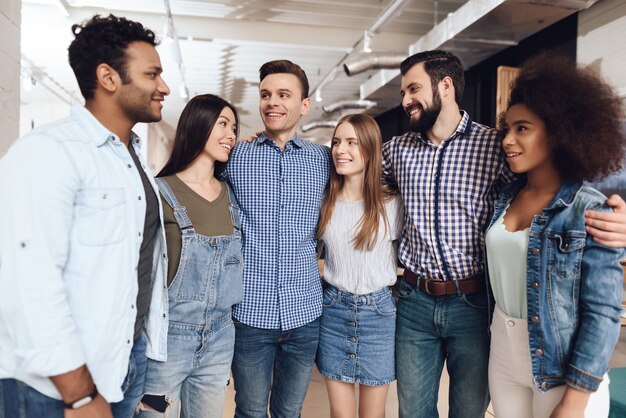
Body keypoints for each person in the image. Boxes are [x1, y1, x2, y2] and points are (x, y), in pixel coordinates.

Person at [382, 49, 626, 418]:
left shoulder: (492, 147)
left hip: (475, 304)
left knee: (468, 411)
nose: (406, 101)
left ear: (445, 85)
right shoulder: (397, 150)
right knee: (412, 411)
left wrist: (619, 217)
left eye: (413, 88)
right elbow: (344, 167)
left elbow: (565, 186)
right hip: (418, 301)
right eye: (402, 93)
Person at [0, 14, 170, 418]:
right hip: (54, 384)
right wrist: (77, 392)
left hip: (121, 363)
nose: (163, 87)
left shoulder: (130, 159)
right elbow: (26, 280)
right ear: (108, 77)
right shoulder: (49, 152)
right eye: (153, 74)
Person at [486, 54, 625, 418]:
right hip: (502, 353)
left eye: (523, 128)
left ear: (558, 131)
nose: (508, 140)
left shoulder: (590, 210)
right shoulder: (503, 198)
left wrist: (575, 401)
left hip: (561, 365)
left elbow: (603, 314)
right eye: (508, 129)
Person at [223, 60, 331, 418]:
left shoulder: (324, 161)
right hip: (251, 312)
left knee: (289, 412)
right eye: (266, 94)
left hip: (304, 313)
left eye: (284, 95)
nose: (273, 102)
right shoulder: (236, 156)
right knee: (250, 411)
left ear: (304, 105)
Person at [136, 94, 243, 417]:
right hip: (167, 340)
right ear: (198, 125)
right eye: (222, 124)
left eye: (234, 128)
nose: (231, 135)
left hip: (220, 337)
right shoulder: (159, 191)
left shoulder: (232, 195)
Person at [315, 114, 402, 418]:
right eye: (337, 142)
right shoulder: (325, 201)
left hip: (378, 316)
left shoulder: (391, 202)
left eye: (352, 142)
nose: (341, 149)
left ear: (369, 149)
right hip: (334, 310)